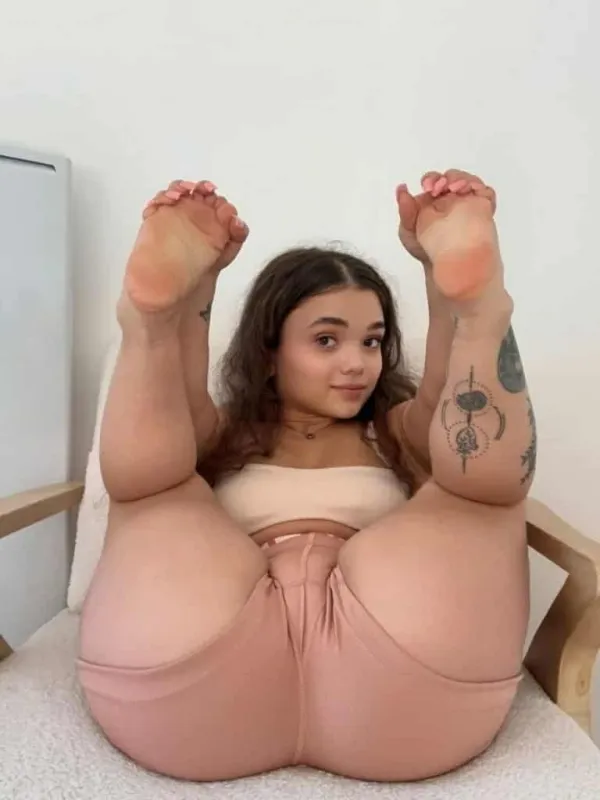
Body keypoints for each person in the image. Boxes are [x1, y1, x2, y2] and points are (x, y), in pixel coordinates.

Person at [77, 168, 535, 784]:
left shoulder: (397, 433)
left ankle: (480, 312)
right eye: (326, 341)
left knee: (476, 486)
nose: (357, 364)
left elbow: (442, 391)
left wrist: (439, 274)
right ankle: (153, 321)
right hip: (223, 661)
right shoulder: (225, 434)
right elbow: (178, 398)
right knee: (155, 487)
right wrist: (200, 281)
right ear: (270, 353)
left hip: (386, 669)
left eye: (371, 343)